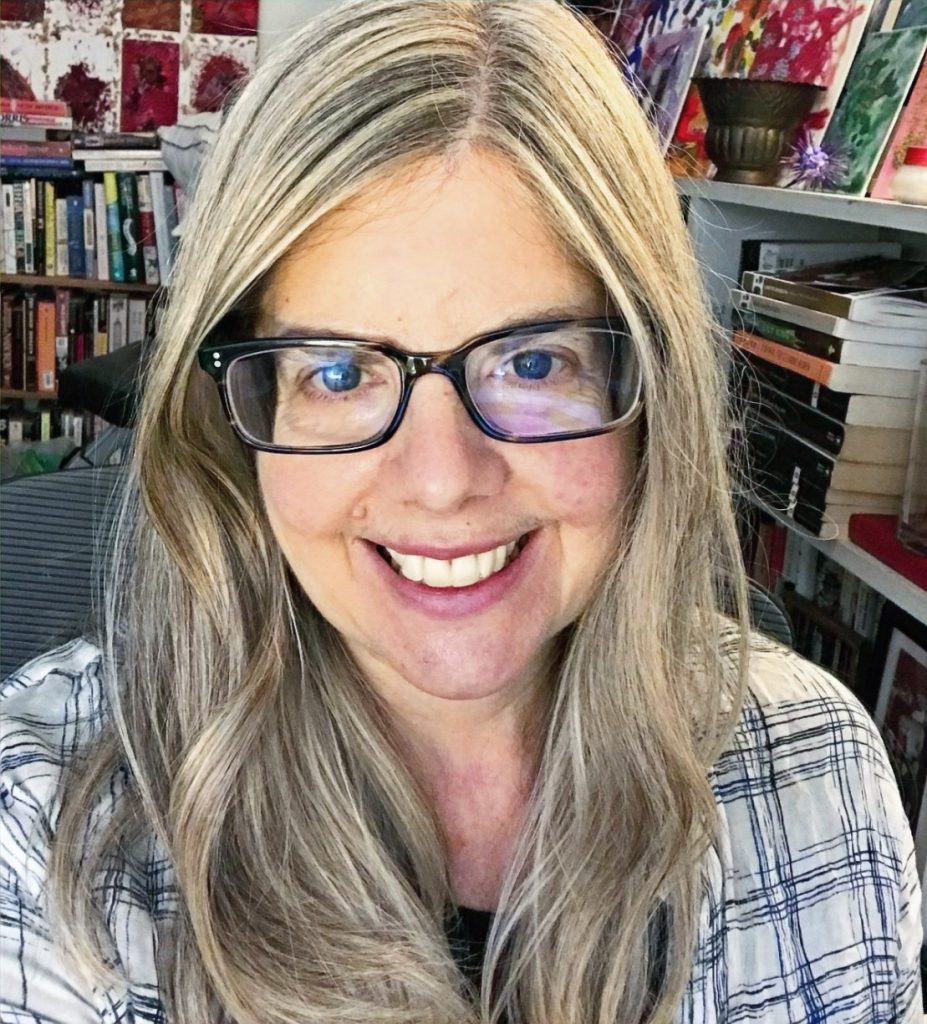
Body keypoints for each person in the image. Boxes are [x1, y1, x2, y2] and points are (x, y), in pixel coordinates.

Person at [0, 1, 921, 1022]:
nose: (440, 480)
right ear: (232, 413)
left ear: (650, 394)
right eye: (338, 371)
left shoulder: (818, 771)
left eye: (533, 361)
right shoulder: (47, 834)